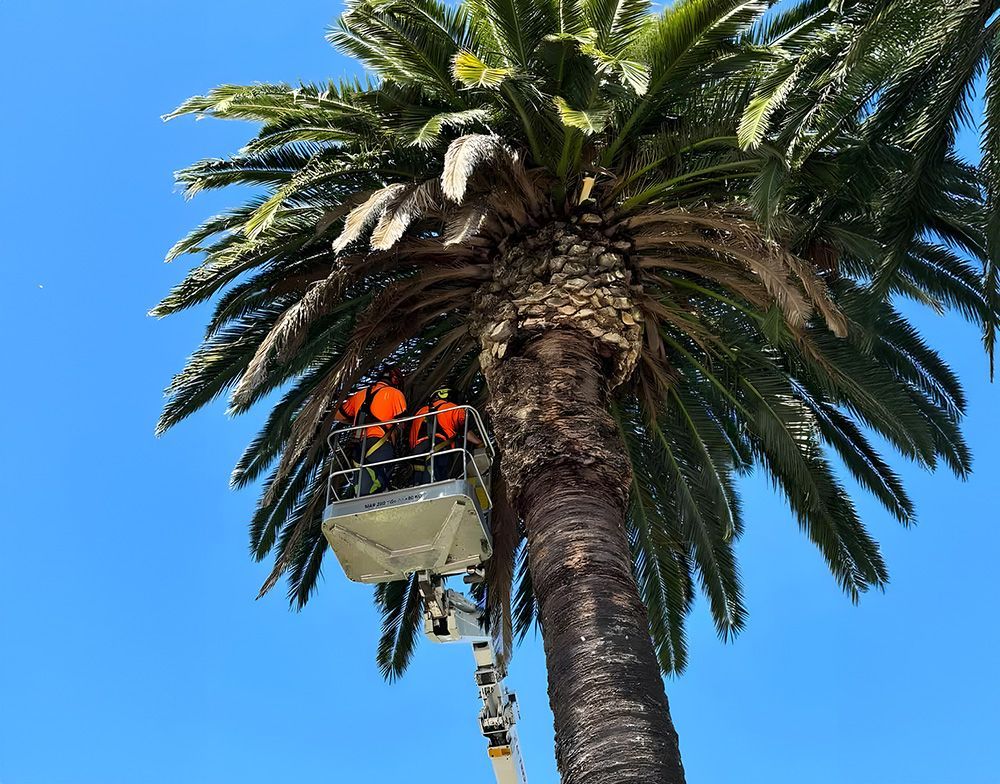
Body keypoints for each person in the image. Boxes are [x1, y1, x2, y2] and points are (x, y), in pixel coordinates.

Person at [334, 368, 407, 496]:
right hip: (381, 444)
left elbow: (338, 416)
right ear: (395, 380)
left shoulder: (360, 394)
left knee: (363, 486)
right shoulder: (395, 393)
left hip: (359, 446)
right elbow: (403, 423)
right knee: (380, 479)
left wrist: (357, 420)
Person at [408, 388, 483, 485]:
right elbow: (465, 431)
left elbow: (412, 439)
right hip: (440, 449)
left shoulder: (419, 413)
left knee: (420, 480)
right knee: (439, 479)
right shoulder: (453, 408)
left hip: (418, 452)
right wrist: (479, 443)